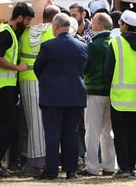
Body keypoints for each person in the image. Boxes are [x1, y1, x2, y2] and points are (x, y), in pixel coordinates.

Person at [34, 13, 88, 180]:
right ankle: (71, 170)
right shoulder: (82, 46)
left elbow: (37, 68)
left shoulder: (48, 46)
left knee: (52, 134)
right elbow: (84, 68)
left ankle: (51, 170)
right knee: (71, 133)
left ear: (56, 26)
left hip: (52, 95)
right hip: (75, 95)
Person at [0, 2, 34, 176]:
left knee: (1, 126)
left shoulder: (9, 31)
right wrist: (17, 68)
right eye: (27, 20)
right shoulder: (6, 33)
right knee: (9, 125)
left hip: (3, 88)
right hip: (2, 88)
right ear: (20, 17)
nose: (29, 24)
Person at [18, 4, 60, 177]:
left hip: (26, 79)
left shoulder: (27, 32)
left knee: (32, 122)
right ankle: (42, 161)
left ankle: (32, 161)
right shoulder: (52, 31)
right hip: (45, 79)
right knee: (46, 123)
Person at [106, 10, 136, 178]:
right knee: (134, 134)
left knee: (120, 134)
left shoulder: (115, 43)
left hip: (119, 96)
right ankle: (131, 165)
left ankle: (123, 168)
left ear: (123, 24)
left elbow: (108, 71)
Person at [80, 12, 116, 177]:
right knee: (107, 132)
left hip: (94, 91)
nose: (91, 25)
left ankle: (92, 167)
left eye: (93, 23)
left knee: (92, 131)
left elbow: (85, 68)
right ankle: (109, 166)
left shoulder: (93, 45)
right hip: (112, 92)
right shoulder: (114, 42)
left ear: (99, 26)